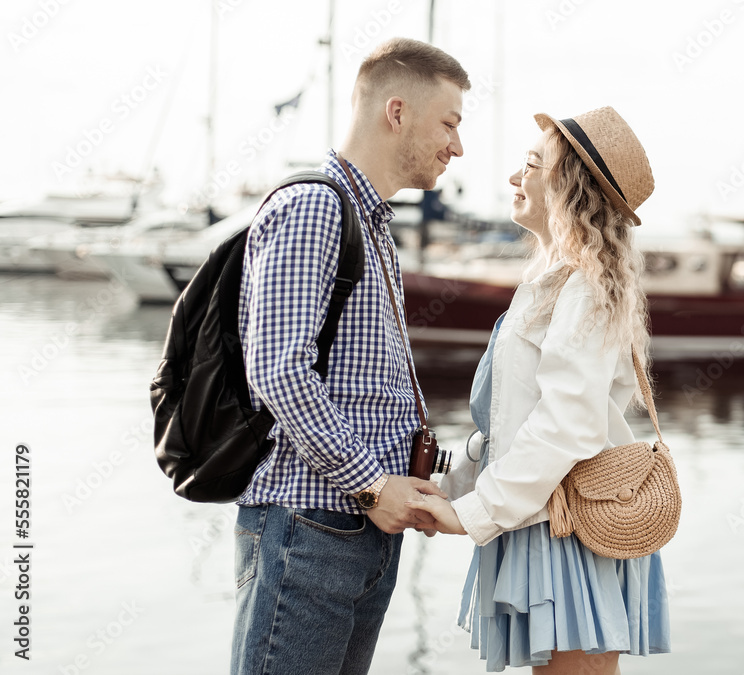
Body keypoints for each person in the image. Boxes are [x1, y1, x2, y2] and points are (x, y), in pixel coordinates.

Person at [230, 38, 470, 675]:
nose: (457, 145)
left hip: (356, 531)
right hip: (310, 529)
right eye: (449, 122)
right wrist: (370, 484)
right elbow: (279, 369)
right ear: (397, 112)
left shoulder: (371, 223)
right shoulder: (315, 208)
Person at [408, 107, 671, 674]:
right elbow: (511, 423)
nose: (513, 177)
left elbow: (567, 425)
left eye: (531, 164)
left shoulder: (581, 290)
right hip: (543, 517)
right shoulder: (551, 283)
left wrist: (476, 510)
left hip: (566, 527)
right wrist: (451, 490)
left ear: (567, 187)